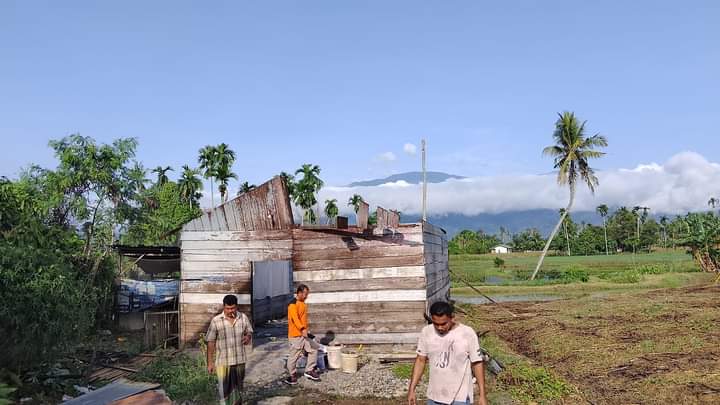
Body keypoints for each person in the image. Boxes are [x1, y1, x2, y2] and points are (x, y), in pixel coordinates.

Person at [408, 301, 487, 405]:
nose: (440, 328)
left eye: (444, 324)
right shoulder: (427, 332)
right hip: (434, 396)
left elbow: (477, 363)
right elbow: (420, 360)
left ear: (452, 318)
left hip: (460, 397)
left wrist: (482, 395)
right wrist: (411, 389)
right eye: (436, 324)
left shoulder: (467, 333)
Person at [206, 294, 253, 405]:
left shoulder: (243, 317)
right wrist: (210, 362)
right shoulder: (216, 321)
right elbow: (210, 342)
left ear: (236, 307)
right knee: (225, 393)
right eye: (227, 308)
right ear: (224, 307)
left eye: (233, 308)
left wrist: (248, 337)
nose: (230, 311)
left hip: (239, 361)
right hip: (223, 363)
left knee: (238, 391)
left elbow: (249, 331)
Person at [284, 284, 321, 384]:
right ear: (299, 293)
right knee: (294, 356)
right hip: (295, 335)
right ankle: (292, 375)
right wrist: (302, 329)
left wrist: (306, 332)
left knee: (314, 349)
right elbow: (295, 319)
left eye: (307, 294)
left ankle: (309, 370)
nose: (306, 296)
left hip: (303, 334)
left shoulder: (303, 304)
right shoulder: (292, 304)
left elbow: (302, 320)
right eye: (305, 294)